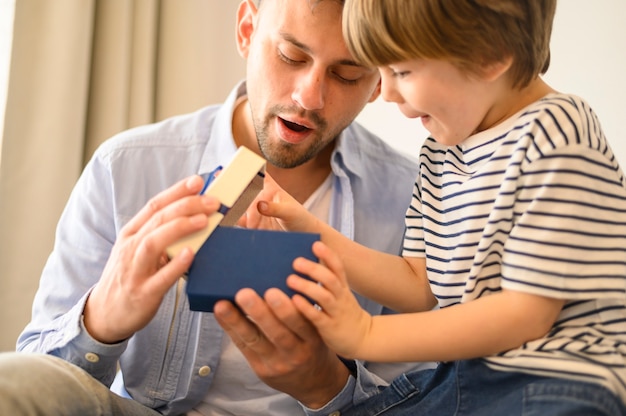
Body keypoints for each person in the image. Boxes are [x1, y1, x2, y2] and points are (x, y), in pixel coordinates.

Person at [0, 0, 426, 415]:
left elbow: (430, 399)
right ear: (246, 30)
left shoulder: (413, 199)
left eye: (347, 74)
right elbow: (39, 380)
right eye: (290, 56)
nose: (309, 96)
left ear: (377, 84)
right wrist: (101, 321)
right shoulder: (125, 169)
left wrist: (324, 387)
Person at [241, 0, 626, 414]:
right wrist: (306, 227)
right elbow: (418, 284)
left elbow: (525, 315)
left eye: (401, 72)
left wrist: (366, 333)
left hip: (560, 379)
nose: (385, 93)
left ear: (490, 56)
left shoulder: (555, 132)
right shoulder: (441, 153)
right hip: (468, 379)